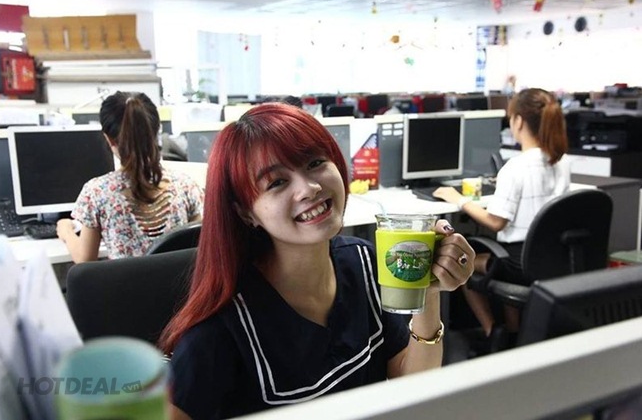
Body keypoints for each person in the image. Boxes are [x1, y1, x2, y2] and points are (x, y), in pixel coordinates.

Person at [160, 102, 476, 420]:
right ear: (245, 212)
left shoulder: (363, 263)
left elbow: (410, 387)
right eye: (277, 182)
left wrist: (427, 291)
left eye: (314, 163)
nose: (309, 188)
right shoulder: (221, 327)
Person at [433, 87, 570, 344]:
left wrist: (458, 199)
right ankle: (514, 332)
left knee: (461, 260)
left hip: (518, 262)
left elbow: (496, 222)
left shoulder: (515, 167)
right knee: (500, 256)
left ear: (518, 121)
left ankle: (493, 331)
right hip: (552, 257)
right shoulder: (561, 162)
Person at [56, 91, 204, 263]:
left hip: (126, 282)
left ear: (109, 139)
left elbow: (85, 260)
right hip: (179, 281)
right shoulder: (186, 186)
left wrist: (66, 232)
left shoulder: (96, 193)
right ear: (156, 132)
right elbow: (201, 248)